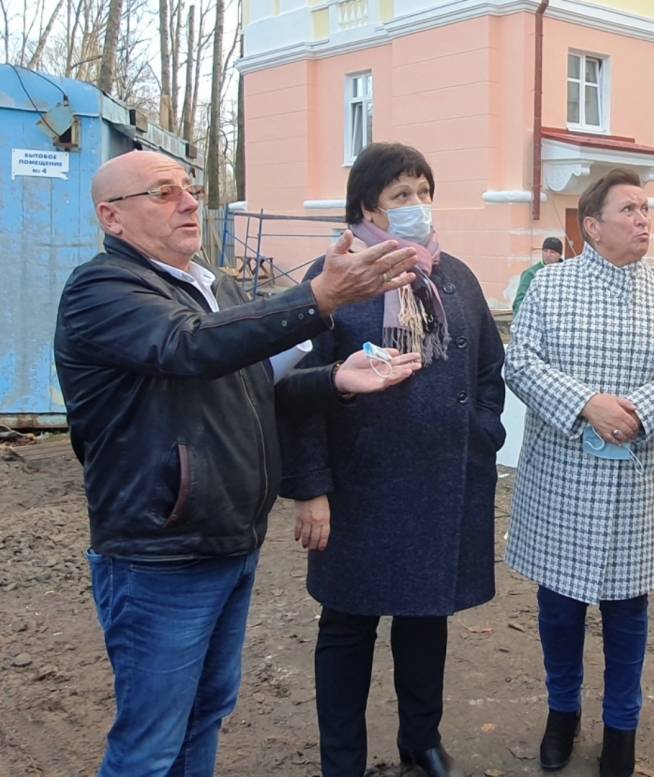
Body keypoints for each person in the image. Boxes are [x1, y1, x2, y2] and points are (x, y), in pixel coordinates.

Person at [54, 149, 423, 777]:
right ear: (112, 219)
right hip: (160, 552)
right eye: (163, 192)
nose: (190, 202)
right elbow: (188, 348)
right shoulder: (103, 289)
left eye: (190, 188)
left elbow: (251, 388)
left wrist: (336, 377)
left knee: (205, 712)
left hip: (229, 538)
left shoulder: (213, 284)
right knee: (149, 744)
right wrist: (320, 297)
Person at [278, 142, 505, 777]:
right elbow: (299, 391)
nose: (417, 206)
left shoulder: (454, 275)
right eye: (401, 195)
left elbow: (490, 369)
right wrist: (311, 488)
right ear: (366, 207)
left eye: (424, 192)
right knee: (348, 627)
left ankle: (420, 741)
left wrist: (480, 432)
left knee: (425, 621)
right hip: (360, 486)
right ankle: (342, 760)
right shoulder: (335, 281)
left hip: (441, 481)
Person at [505, 168, 654, 777]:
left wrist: (639, 413)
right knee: (560, 610)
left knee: (628, 614)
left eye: (647, 209)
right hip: (562, 479)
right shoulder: (550, 286)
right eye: (629, 210)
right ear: (591, 227)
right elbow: (521, 363)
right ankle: (561, 713)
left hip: (634, 484)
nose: (643, 219)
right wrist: (586, 405)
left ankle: (622, 725)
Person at [512, 236, 564, 313]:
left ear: (559, 255)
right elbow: (520, 301)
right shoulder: (531, 273)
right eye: (545, 251)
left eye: (552, 252)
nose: (548, 254)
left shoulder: (565, 273)